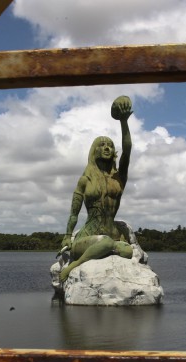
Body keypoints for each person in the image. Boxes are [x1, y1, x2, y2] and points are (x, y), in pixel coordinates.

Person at [59, 96, 134, 282]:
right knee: (107, 243)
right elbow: (74, 213)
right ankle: (73, 266)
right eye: (102, 145)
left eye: (110, 145)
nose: (107, 148)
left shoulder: (119, 178)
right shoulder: (85, 179)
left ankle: (105, 249)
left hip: (112, 233)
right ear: (95, 151)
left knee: (127, 251)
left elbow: (128, 148)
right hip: (87, 236)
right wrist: (67, 236)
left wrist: (123, 122)